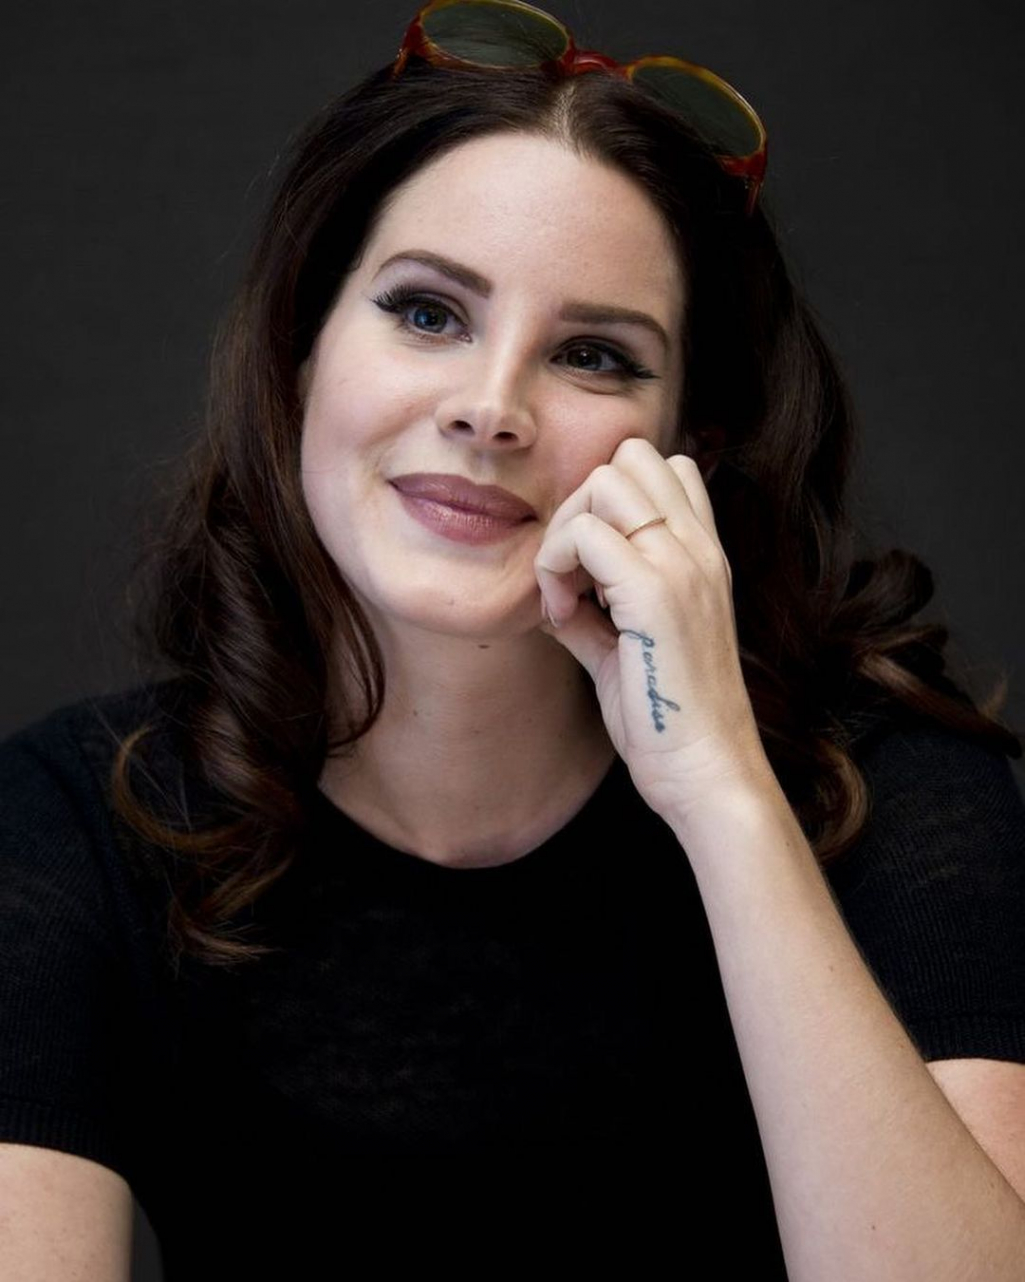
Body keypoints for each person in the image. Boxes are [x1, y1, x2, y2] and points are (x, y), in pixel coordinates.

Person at [2, 2, 1025, 1277]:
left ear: (690, 450)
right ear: (301, 350)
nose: (490, 410)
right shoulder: (72, 821)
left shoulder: (883, 789)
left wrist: (720, 795)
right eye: (428, 313)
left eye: (591, 354)